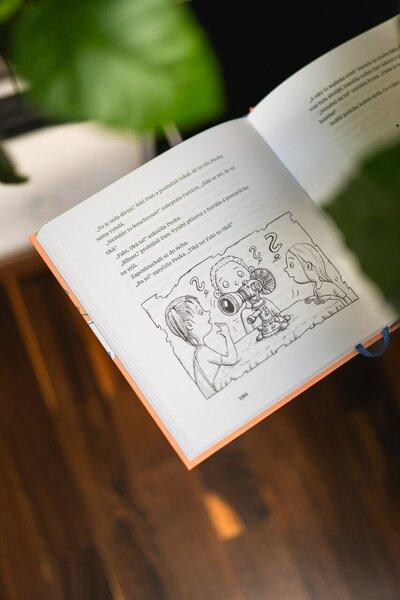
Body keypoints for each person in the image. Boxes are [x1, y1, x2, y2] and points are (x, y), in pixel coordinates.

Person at [165, 295, 237, 398]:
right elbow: (232, 359)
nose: (207, 312)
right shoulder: (203, 353)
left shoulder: (199, 352)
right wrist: (227, 335)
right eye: (201, 312)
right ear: (189, 325)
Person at [210, 255, 282, 335]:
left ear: (250, 271)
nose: (236, 282)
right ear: (219, 294)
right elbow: (251, 335)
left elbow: (281, 315)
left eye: (240, 274)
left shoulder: (266, 302)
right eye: (226, 284)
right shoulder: (245, 314)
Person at [284, 243, 352, 307]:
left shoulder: (330, 285)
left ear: (308, 266)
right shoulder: (315, 288)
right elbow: (320, 298)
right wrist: (313, 297)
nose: (286, 269)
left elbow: (347, 300)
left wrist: (329, 297)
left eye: (291, 265)